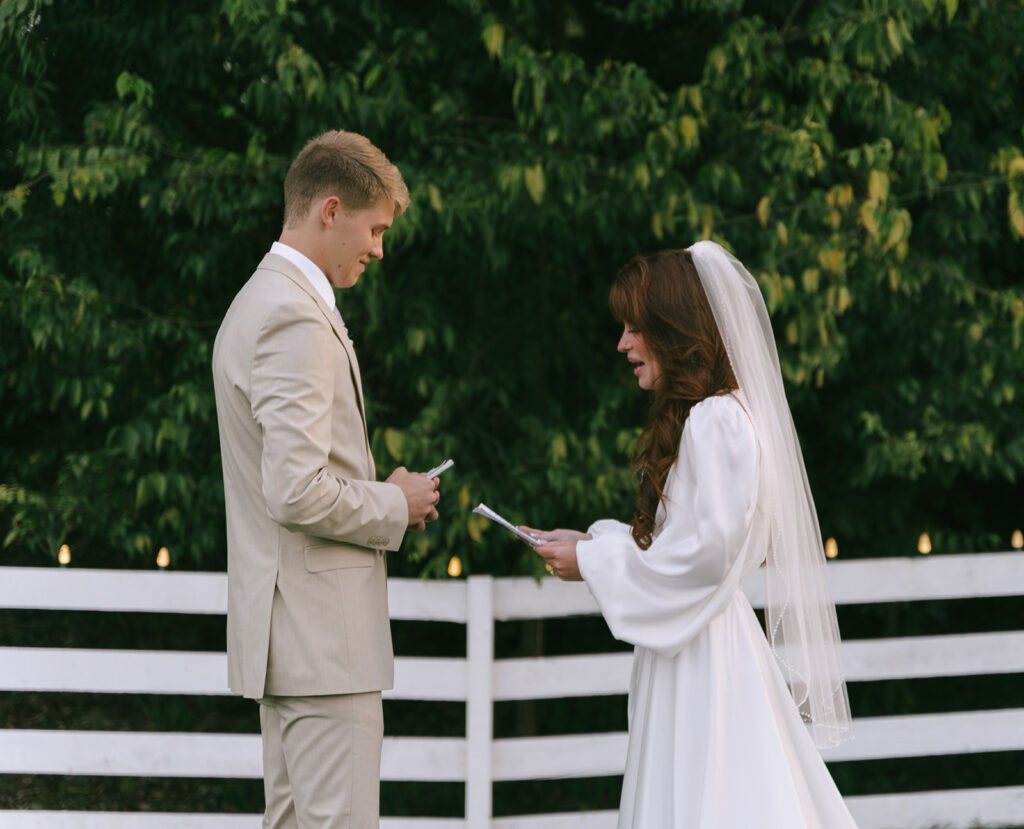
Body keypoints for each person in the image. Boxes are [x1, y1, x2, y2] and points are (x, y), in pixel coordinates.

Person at [524, 242, 858, 828]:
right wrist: (593, 544)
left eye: (635, 327)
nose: (623, 343)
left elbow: (705, 559)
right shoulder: (720, 415)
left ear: (673, 329)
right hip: (704, 638)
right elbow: (690, 548)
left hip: (704, 652)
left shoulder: (717, 421)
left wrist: (595, 563)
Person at [212, 130, 440, 828]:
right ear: (330, 210)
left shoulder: (258, 298)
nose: (379, 248)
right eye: (375, 229)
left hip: (291, 644)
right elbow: (295, 489)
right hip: (323, 648)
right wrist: (394, 502)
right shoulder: (294, 316)